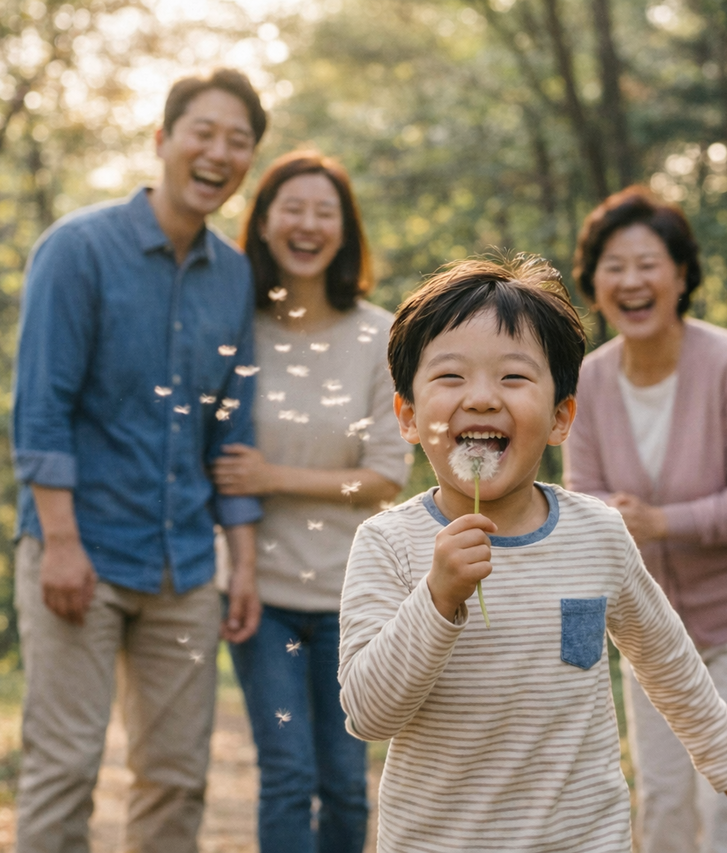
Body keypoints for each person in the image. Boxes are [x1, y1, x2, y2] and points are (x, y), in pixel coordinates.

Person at [337, 255, 727, 852]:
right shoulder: (388, 544)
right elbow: (368, 714)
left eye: (514, 377)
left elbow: (667, 661)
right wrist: (437, 599)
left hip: (584, 839)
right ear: (409, 417)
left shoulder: (599, 533)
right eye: (451, 377)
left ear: (561, 418)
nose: (484, 398)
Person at [10, 69, 267, 853]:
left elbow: (231, 435)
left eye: (239, 141)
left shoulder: (235, 278)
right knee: (64, 768)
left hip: (185, 565)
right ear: (162, 141)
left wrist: (243, 564)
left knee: (177, 777)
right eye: (204, 132)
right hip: (78, 550)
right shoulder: (78, 249)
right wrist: (59, 541)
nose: (218, 152)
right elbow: (41, 408)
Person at [563, 186, 727, 853]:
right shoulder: (588, 381)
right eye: (614, 265)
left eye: (648, 263)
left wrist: (663, 521)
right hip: (652, 633)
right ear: (595, 282)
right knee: (663, 803)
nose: (632, 281)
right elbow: (581, 509)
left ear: (681, 275)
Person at [210, 151, 411, 853]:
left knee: (347, 783)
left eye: (325, 211)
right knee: (289, 774)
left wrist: (273, 477)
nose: (308, 224)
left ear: (344, 230)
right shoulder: (236, 332)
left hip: (351, 596)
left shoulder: (377, 334)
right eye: (291, 208)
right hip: (260, 594)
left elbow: (388, 474)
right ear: (262, 224)